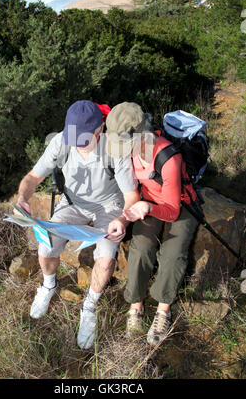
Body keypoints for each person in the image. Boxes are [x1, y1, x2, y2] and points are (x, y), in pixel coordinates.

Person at [16, 100, 139, 349]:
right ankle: (48, 284)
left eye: (84, 141)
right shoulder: (62, 140)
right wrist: (23, 198)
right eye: (74, 139)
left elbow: (131, 198)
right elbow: (32, 177)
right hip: (72, 202)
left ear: (100, 129)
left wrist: (122, 219)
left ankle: (90, 305)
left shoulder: (115, 148)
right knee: (46, 244)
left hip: (109, 206)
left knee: (105, 260)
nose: (78, 146)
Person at [105, 102, 199, 346]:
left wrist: (148, 208)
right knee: (140, 247)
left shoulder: (168, 157)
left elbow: (172, 210)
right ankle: (136, 305)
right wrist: (124, 218)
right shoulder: (127, 152)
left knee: (173, 252)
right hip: (148, 202)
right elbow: (131, 194)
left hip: (179, 204)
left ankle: (163, 310)